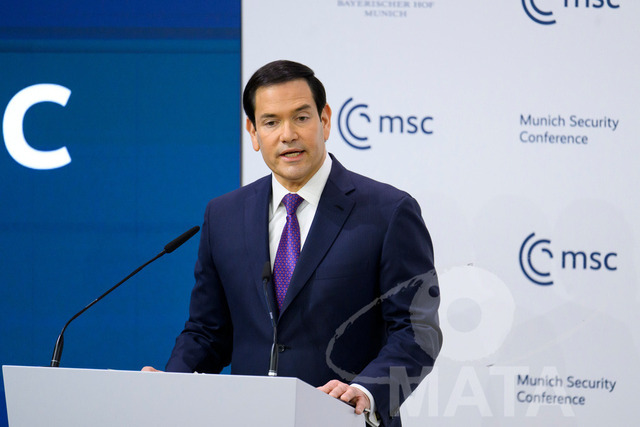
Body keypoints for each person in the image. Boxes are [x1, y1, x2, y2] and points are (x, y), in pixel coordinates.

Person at [144, 60, 442, 427]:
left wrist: (366, 392)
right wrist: (172, 384)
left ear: (325, 120)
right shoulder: (223, 215)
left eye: (301, 118)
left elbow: (417, 332)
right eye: (271, 122)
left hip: (345, 420)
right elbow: (208, 332)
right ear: (253, 133)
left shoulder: (388, 212)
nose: (288, 134)